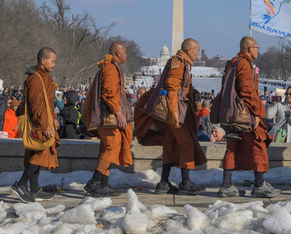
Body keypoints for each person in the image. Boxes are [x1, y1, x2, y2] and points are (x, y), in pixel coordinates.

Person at [140, 38, 207, 195]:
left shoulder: (180, 62)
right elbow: (172, 88)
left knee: (170, 145)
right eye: (197, 50)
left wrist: (195, 95)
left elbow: (183, 87)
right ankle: (186, 183)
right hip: (177, 113)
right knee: (187, 144)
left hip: (176, 112)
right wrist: (174, 113)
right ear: (189, 50)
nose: (198, 53)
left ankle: (163, 183)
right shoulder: (180, 63)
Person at [217, 37, 279, 199]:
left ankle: (226, 185)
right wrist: (258, 113)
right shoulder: (245, 64)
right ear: (249, 48)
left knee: (232, 147)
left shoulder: (232, 63)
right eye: (256, 47)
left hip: (230, 114)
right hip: (246, 115)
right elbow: (247, 91)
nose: (258, 50)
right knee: (258, 145)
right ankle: (259, 185)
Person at [83, 41, 134, 197]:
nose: (126, 54)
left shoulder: (110, 66)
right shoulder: (111, 68)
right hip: (110, 117)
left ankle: (103, 185)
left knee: (108, 148)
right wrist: (118, 112)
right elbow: (109, 92)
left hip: (108, 117)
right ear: (118, 53)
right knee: (112, 147)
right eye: (125, 52)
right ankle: (94, 182)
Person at [11, 48, 60, 202]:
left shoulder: (45, 77)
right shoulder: (35, 79)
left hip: (46, 121)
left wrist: (53, 118)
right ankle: (21, 184)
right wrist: (45, 125)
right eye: (52, 61)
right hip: (39, 124)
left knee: (35, 153)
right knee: (41, 154)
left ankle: (34, 189)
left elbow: (48, 102)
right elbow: (37, 106)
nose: (54, 64)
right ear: (43, 60)